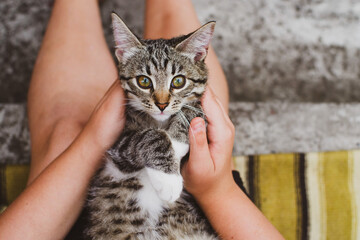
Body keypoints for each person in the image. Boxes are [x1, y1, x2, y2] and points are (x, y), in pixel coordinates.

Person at [0, 0, 284, 239]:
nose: (161, 100)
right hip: (197, 211)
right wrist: (216, 190)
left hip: (105, 220)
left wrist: (93, 139)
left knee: (65, 133)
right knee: (205, 138)